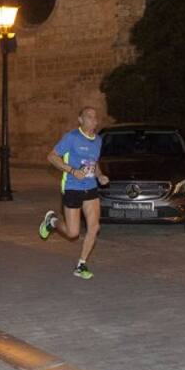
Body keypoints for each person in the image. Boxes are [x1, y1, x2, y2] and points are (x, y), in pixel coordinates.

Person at [38, 106, 110, 280]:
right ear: (80, 120)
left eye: (95, 117)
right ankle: (52, 222)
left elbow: (94, 163)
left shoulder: (98, 140)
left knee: (94, 227)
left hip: (91, 187)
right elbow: (52, 156)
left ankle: (81, 264)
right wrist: (72, 170)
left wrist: (100, 176)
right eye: (89, 117)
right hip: (72, 187)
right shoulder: (72, 137)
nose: (93, 120)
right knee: (73, 233)